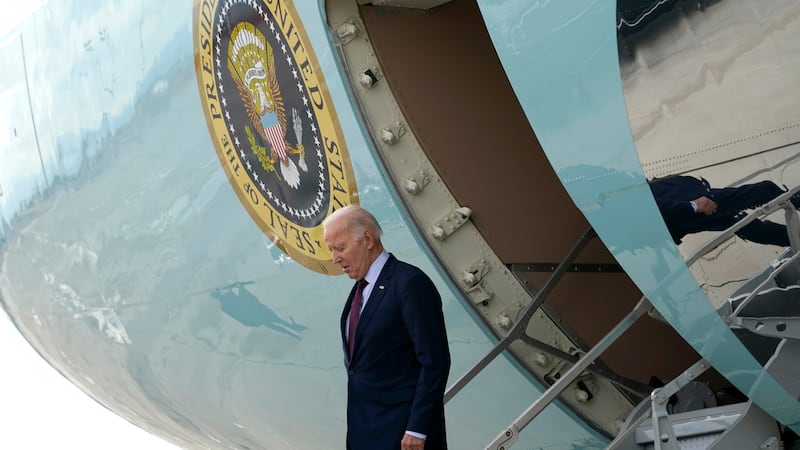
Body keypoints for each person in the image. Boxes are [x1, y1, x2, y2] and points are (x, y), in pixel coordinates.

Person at [322, 205, 451, 450]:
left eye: (340, 248)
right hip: (365, 432)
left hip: (403, 435)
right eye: (331, 250)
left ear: (368, 239)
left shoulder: (409, 284)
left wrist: (418, 428)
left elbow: (435, 361)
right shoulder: (361, 289)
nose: (335, 258)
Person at [648, 175, 800, 246]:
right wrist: (692, 206)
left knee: (741, 223)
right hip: (687, 206)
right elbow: (650, 209)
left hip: (684, 204)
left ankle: (796, 237)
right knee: (764, 191)